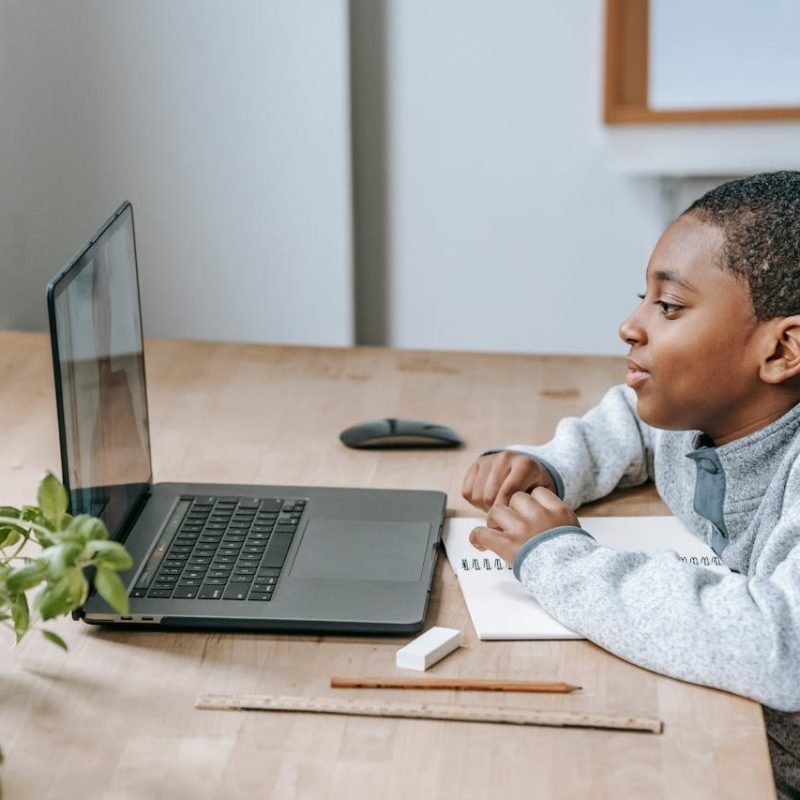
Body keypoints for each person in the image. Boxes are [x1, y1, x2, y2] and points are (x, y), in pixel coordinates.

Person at [462, 171, 800, 799]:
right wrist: (556, 464)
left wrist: (561, 560)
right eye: (643, 299)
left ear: (782, 351)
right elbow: (638, 424)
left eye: (668, 307)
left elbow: (782, 650)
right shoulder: (702, 413)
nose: (630, 325)